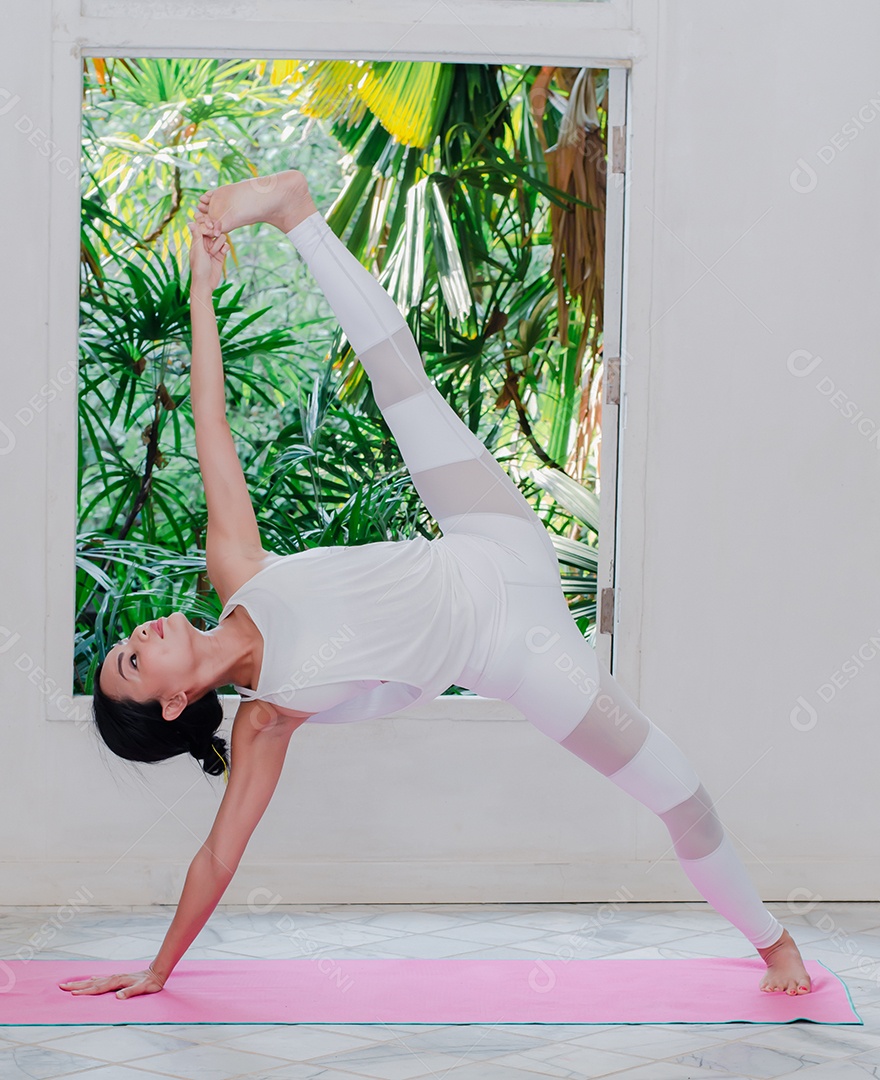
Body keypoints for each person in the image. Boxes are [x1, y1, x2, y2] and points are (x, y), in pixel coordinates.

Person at [61, 170, 810, 1001]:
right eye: (132, 664)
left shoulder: (237, 571)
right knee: (681, 795)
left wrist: (203, 285)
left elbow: (210, 419)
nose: (135, 638)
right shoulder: (268, 722)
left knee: (403, 382)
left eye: (123, 644)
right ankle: (776, 947)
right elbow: (218, 856)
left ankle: (295, 211)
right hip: (517, 651)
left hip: (489, 539)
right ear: (173, 705)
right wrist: (159, 970)